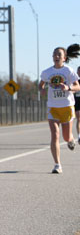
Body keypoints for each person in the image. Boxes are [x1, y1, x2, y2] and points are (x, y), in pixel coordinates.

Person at [39, 45, 80, 174]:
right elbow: (41, 85)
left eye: (59, 55)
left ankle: (71, 140)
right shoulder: (47, 72)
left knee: (66, 137)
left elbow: (78, 86)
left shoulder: (69, 71)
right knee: (55, 135)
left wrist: (68, 88)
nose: (56, 57)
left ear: (64, 58)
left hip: (67, 106)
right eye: (54, 54)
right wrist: (42, 90)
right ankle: (57, 165)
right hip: (53, 107)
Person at [74, 66, 80, 144]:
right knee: (79, 118)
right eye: (78, 71)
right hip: (77, 101)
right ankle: (79, 136)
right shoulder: (75, 81)